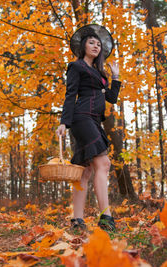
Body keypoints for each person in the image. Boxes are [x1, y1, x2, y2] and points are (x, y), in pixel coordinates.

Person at [56, 24, 121, 232]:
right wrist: (64, 123)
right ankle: (106, 217)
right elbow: (70, 95)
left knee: (85, 171)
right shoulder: (76, 67)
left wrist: (116, 78)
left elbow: (111, 98)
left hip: (95, 120)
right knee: (103, 163)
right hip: (81, 118)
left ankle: (77, 220)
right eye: (91, 42)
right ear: (83, 45)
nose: (95, 46)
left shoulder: (100, 73)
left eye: (99, 44)